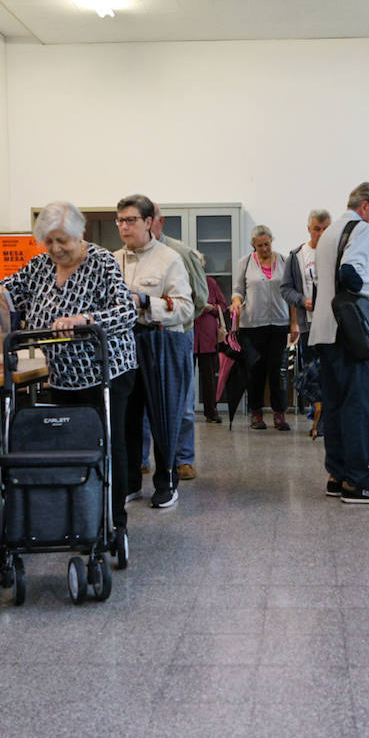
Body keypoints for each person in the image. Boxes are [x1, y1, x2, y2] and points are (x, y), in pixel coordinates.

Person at [0, 202, 138, 537]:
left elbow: (126, 310)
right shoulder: (40, 266)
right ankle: (75, 516)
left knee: (106, 444)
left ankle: (113, 522)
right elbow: (2, 287)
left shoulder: (101, 261)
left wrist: (85, 319)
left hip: (106, 372)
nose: (55, 249)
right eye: (49, 241)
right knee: (68, 447)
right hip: (63, 375)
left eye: (62, 241)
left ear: (79, 234)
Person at [310, 182, 369, 504]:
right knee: (359, 408)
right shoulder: (359, 228)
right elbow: (351, 274)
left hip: (325, 332)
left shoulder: (331, 231)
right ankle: (359, 482)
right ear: (365, 206)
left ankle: (337, 475)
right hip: (349, 335)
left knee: (334, 407)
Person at [112, 194, 193, 509]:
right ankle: (130, 481)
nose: (124, 227)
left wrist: (146, 302)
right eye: (120, 220)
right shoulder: (111, 260)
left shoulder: (169, 259)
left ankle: (166, 483)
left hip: (160, 343)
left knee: (163, 416)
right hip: (122, 347)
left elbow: (185, 307)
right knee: (127, 418)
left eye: (131, 220)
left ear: (148, 222)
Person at [148, 203, 207, 480]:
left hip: (177, 334)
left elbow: (200, 296)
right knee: (143, 402)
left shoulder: (180, 253)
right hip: (143, 337)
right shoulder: (127, 257)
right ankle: (141, 459)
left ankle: (184, 459)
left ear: (158, 221)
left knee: (182, 402)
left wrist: (178, 319)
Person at [231, 224, 293, 431]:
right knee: (255, 370)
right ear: (253, 246)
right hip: (252, 325)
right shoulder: (245, 262)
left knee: (278, 371)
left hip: (279, 323)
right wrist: (237, 301)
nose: (264, 249)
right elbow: (238, 289)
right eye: (260, 246)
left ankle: (279, 414)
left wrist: (293, 323)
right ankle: (256, 413)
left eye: (267, 244)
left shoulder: (284, 261)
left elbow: (291, 293)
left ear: (271, 241)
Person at [280, 209, 333, 363]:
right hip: (308, 324)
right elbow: (286, 289)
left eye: (326, 229)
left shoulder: (338, 253)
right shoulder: (297, 256)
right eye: (317, 229)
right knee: (311, 371)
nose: (321, 234)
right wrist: (302, 300)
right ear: (308, 229)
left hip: (332, 323)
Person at [194, 265, 227, 424]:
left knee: (209, 378)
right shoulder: (183, 282)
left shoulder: (211, 283)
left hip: (208, 338)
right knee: (185, 378)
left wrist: (211, 307)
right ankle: (184, 411)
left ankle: (211, 412)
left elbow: (223, 306)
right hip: (188, 336)